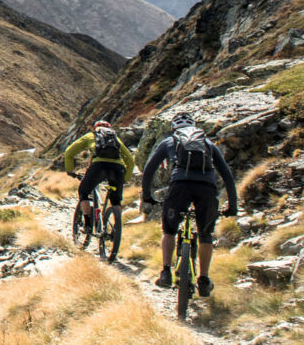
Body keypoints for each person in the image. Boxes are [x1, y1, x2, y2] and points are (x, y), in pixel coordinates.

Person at [140, 111, 238, 297]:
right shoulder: (208, 143)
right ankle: (204, 279)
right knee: (205, 234)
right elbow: (227, 175)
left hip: (180, 186)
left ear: (174, 128)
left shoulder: (169, 141)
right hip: (207, 189)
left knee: (169, 230)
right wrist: (232, 206)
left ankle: (166, 272)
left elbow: (149, 169)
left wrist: (147, 195)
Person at [63, 120, 133, 256]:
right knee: (116, 201)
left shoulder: (91, 136)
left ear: (95, 128)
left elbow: (69, 152)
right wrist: (125, 179)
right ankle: (116, 229)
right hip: (117, 170)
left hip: (98, 167)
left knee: (83, 192)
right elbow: (130, 160)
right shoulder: (116, 139)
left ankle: (88, 224)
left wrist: (70, 170)